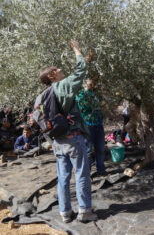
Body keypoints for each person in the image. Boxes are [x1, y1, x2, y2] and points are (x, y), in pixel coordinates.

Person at [38, 40, 96, 223]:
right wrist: (76, 49)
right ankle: (85, 211)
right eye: (57, 68)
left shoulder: (44, 94)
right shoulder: (64, 86)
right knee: (81, 175)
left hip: (58, 141)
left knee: (63, 178)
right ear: (52, 75)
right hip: (73, 139)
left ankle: (64, 213)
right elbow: (80, 71)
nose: (61, 69)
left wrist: (85, 58)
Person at [76, 78, 107, 175]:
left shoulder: (96, 94)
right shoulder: (81, 95)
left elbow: (103, 104)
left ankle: (101, 170)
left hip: (98, 124)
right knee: (88, 150)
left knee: (101, 148)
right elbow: (83, 107)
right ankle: (87, 173)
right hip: (88, 125)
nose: (91, 82)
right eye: (89, 80)